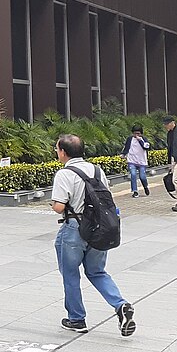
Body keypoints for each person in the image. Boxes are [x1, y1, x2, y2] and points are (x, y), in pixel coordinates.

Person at [51, 134, 137, 336]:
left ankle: (77, 319)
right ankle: (121, 305)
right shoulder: (97, 170)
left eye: (57, 149)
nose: (57, 153)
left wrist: (53, 204)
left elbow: (59, 206)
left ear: (63, 152)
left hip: (74, 229)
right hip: (98, 229)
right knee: (97, 272)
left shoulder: (64, 174)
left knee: (71, 275)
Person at [122, 124, 151, 197]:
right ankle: (135, 191)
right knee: (133, 175)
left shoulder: (143, 139)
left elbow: (146, 147)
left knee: (142, 176)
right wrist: (123, 154)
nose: (136, 135)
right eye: (135, 133)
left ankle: (145, 187)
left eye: (138, 133)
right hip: (132, 161)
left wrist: (140, 141)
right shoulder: (130, 139)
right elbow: (127, 147)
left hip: (141, 161)